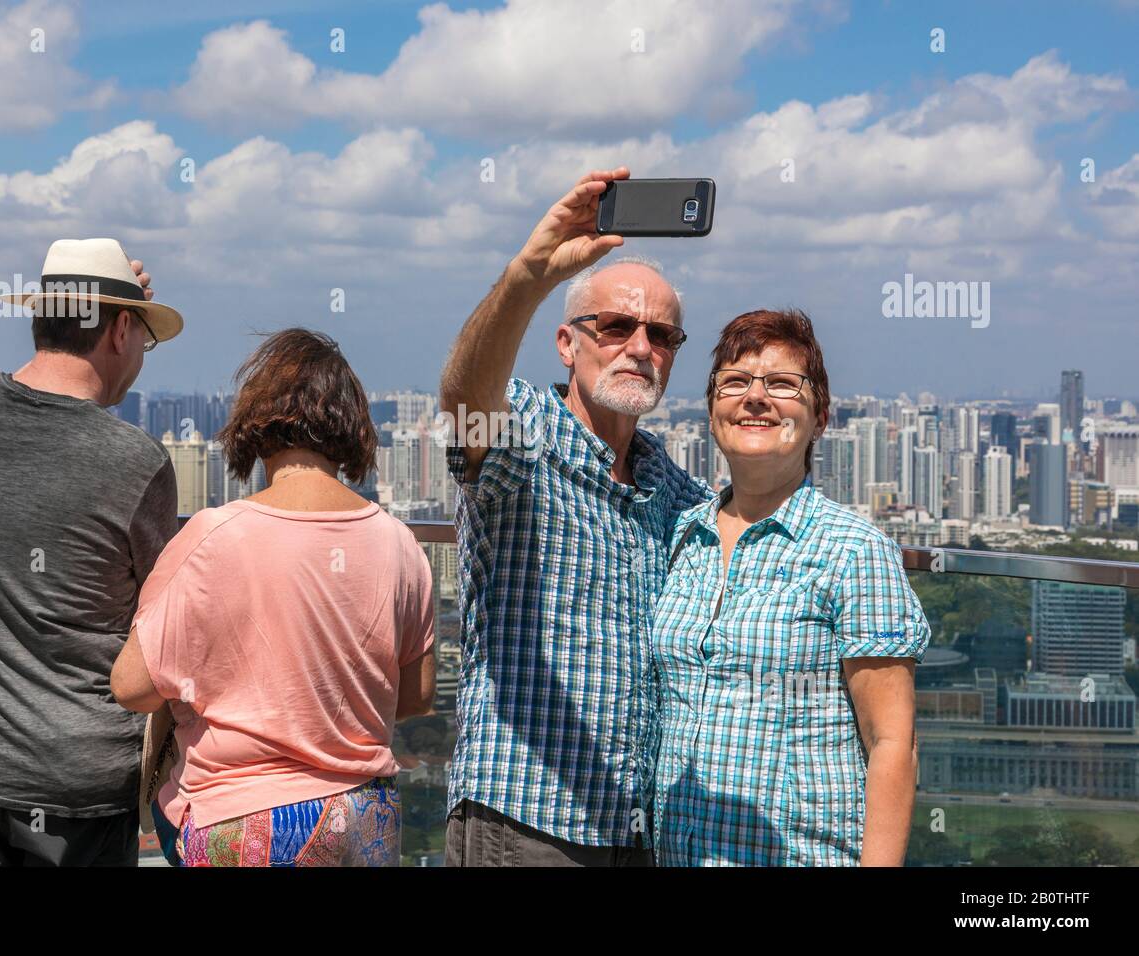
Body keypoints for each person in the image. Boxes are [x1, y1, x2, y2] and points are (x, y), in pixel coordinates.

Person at [439, 167, 712, 866]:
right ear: (567, 344)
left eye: (663, 336)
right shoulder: (525, 434)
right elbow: (464, 396)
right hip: (526, 816)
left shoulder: (677, 493)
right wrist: (528, 274)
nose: (641, 349)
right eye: (616, 327)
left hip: (635, 828)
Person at [111, 328, 436, 867]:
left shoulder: (215, 535)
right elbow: (416, 696)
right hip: (367, 817)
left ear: (255, 425)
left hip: (250, 818)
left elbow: (132, 687)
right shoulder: (400, 543)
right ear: (352, 428)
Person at [0, 238, 183, 866]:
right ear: (121, 328)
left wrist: (110, 295)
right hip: (82, 793)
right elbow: (167, 627)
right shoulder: (135, 463)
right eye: (142, 340)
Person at [652, 309, 930, 866]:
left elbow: (892, 743)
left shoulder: (853, 550)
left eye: (782, 384)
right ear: (711, 411)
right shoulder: (684, 535)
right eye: (734, 383)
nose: (755, 398)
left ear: (820, 416)